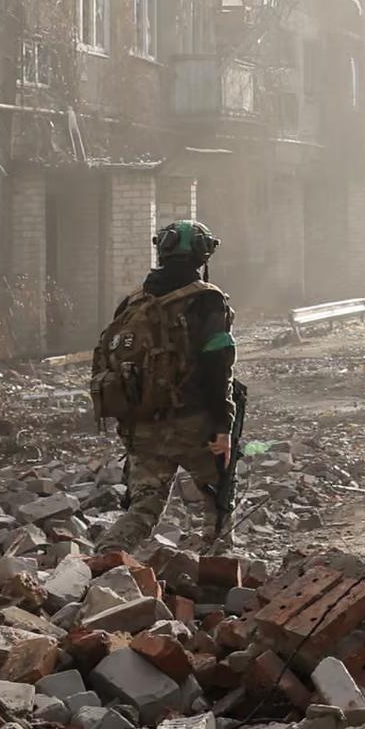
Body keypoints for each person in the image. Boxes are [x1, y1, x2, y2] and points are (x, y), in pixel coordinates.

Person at [91, 218, 238, 540]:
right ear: (203, 255)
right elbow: (218, 367)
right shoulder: (207, 300)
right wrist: (224, 426)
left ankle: (101, 569)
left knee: (143, 511)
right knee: (219, 503)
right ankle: (217, 574)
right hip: (193, 426)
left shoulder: (132, 302)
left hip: (141, 428)